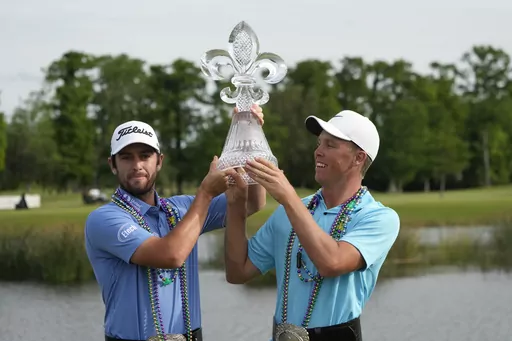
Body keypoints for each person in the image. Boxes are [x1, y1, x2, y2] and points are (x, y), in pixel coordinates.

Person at [84, 105, 266, 341]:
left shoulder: (180, 209)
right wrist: (205, 193)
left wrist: (250, 134)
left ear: (159, 161)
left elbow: (252, 202)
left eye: (145, 156)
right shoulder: (104, 218)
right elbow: (170, 255)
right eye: (126, 157)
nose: (137, 165)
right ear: (112, 164)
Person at [224, 110, 400, 341]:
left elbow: (332, 262)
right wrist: (236, 207)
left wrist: (288, 197)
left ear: (358, 158)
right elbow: (238, 272)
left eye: (330, 145)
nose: (318, 151)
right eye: (319, 143)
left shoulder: (379, 218)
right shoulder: (290, 211)